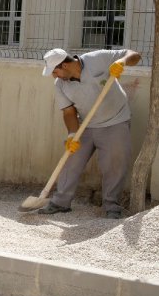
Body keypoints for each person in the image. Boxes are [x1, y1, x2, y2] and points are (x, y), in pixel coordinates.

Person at [39, 48, 141, 219]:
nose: (54, 76)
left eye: (55, 71)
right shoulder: (61, 85)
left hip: (115, 121)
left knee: (115, 164)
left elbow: (134, 55)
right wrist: (72, 134)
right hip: (85, 125)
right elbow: (68, 112)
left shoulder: (97, 59)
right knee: (71, 160)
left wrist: (121, 62)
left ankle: (111, 205)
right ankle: (60, 202)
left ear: (64, 65)